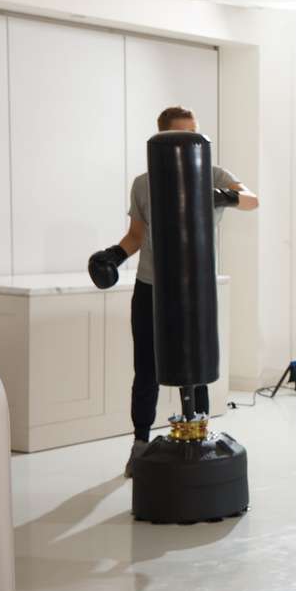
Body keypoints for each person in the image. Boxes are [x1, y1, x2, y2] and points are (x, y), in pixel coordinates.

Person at [87, 106, 257, 477]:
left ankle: (199, 439)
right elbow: (135, 236)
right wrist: (114, 256)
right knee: (146, 369)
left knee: (196, 367)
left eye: (194, 134)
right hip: (151, 287)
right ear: (162, 140)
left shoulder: (212, 173)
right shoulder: (144, 184)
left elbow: (251, 199)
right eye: (180, 136)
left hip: (195, 290)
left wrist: (219, 195)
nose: (188, 143)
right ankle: (140, 445)